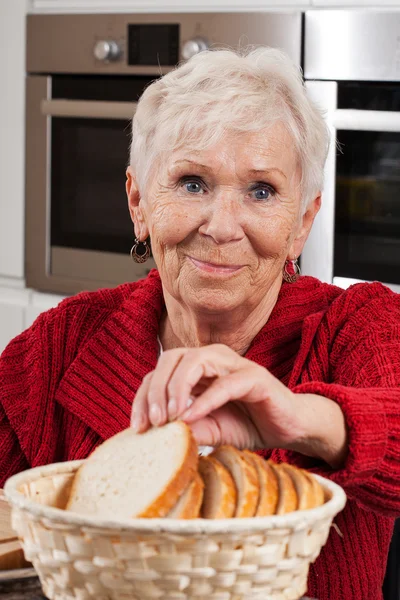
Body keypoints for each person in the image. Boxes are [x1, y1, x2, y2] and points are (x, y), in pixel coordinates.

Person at [0, 47, 399, 600]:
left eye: (261, 191)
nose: (222, 226)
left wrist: (299, 416)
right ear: (139, 201)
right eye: (192, 183)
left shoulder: (358, 324)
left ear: (301, 222)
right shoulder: (60, 342)